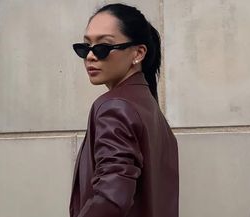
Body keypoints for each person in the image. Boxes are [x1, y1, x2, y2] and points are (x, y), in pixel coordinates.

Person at [70, 3, 179, 217]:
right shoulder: (150, 111)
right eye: (85, 47)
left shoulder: (115, 107)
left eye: (103, 47)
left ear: (138, 53)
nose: (90, 56)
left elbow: (111, 198)